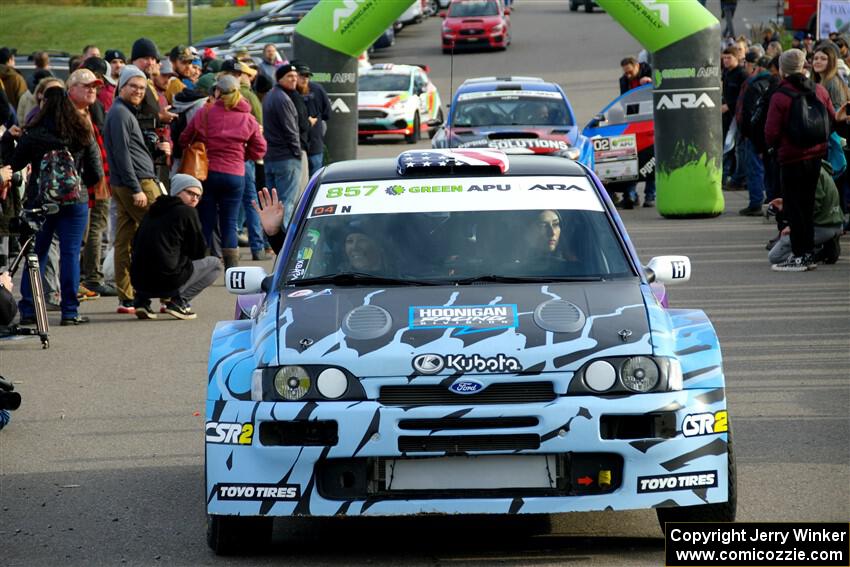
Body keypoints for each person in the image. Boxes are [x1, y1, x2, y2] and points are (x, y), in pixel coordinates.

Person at [5, 86, 103, 325]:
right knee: (70, 254)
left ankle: (29, 308)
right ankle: (70, 311)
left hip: (40, 201)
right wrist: (79, 184)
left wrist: (9, 140)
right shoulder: (81, 131)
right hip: (74, 200)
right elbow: (95, 172)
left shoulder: (35, 132)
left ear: (44, 103)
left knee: (36, 253)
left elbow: (14, 164)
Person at [764, 49, 850, 272]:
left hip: (791, 158)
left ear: (783, 69)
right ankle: (808, 253)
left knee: (795, 208)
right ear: (804, 66)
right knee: (808, 204)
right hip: (816, 156)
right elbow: (831, 120)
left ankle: (801, 255)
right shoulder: (819, 90)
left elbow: (771, 131)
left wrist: (776, 147)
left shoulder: (780, 94)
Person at [178, 74, 266, 269]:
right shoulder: (248, 118)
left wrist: (198, 146)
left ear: (218, 91)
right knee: (230, 221)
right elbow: (260, 148)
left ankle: (202, 265)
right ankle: (231, 268)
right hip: (235, 174)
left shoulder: (205, 112)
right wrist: (243, 155)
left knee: (206, 220)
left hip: (208, 173)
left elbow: (185, 138)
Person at [103, 65, 168, 313]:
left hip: (129, 182)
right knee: (160, 235)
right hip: (137, 183)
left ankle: (127, 297)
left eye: (142, 88)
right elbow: (120, 155)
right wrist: (136, 188)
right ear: (122, 86)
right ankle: (167, 295)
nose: (139, 91)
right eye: (134, 86)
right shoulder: (120, 113)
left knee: (124, 239)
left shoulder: (124, 112)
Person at [130, 174, 221, 320]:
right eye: (190, 193)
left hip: (138, 279)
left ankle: (142, 302)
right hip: (167, 279)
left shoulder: (153, 210)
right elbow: (199, 250)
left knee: (158, 256)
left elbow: (135, 242)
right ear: (178, 191)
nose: (194, 199)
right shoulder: (187, 212)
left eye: (198, 196)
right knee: (215, 264)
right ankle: (179, 302)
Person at [220, 59, 267, 261]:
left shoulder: (219, 101)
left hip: (226, 160)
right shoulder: (247, 98)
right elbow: (259, 133)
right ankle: (257, 248)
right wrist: (251, 155)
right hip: (242, 158)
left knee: (235, 205)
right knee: (249, 201)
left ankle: (229, 249)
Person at [767, 161, 844, 266]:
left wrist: (795, 226)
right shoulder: (818, 168)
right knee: (782, 244)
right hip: (833, 221)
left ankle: (822, 252)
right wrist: (786, 203)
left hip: (823, 225)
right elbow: (807, 200)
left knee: (775, 256)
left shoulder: (809, 173)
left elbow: (813, 205)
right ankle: (824, 245)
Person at [262, 64, 303, 230]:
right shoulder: (283, 99)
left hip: (271, 157)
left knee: (272, 204)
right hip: (286, 158)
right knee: (286, 204)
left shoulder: (270, 96)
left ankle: (271, 241)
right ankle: (284, 244)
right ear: (280, 79)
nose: (294, 79)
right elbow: (290, 129)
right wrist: (297, 152)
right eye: (289, 76)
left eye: (295, 76)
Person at [736, 52, 771, 216]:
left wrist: (745, 133)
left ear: (755, 67)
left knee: (754, 168)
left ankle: (756, 202)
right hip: (769, 134)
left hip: (753, 134)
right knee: (769, 170)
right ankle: (770, 201)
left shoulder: (752, 84)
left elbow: (746, 112)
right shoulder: (775, 83)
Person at [294, 62, 330, 177]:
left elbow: (327, 113)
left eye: (307, 76)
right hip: (297, 145)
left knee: (315, 179)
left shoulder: (317, 89)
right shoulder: (290, 92)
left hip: (314, 143)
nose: (305, 79)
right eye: (301, 76)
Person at [722, 45, 748, 191]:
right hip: (728, 116)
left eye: (729, 58)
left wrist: (729, 106)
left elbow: (742, 96)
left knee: (734, 146)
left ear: (736, 58)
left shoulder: (741, 74)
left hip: (737, 116)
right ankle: (730, 175)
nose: (726, 61)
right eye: (724, 58)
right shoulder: (727, 73)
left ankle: (738, 177)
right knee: (729, 146)